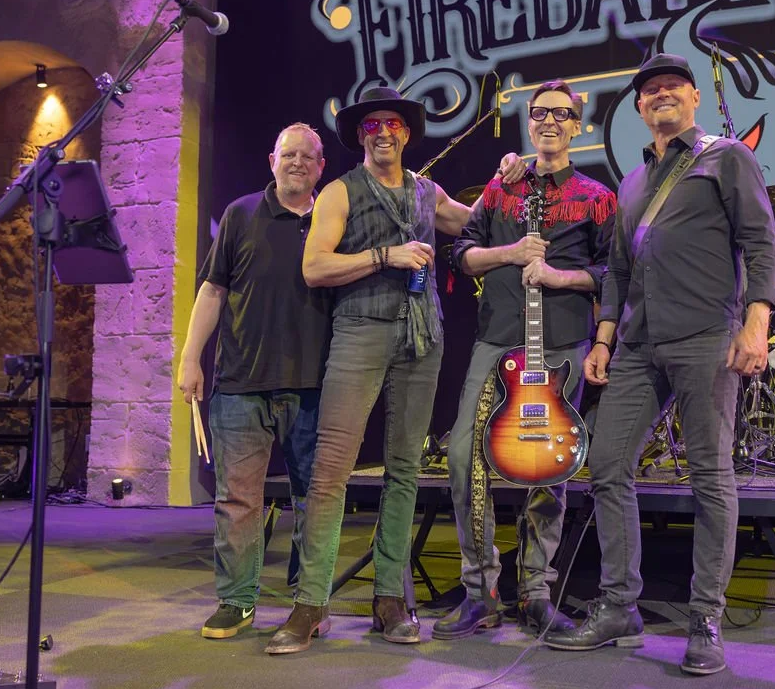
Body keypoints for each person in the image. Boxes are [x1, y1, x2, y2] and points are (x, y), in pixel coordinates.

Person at [545, 53, 775, 675]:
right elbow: (620, 271)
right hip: (638, 345)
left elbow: (762, 243)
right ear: (640, 107)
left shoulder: (726, 157)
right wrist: (603, 340)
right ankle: (621, 605)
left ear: (694, 97)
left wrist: (755, 323)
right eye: (650, 91)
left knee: (711, 477)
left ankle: (705, 616)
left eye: (672, 87)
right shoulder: (632, 182)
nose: (660, 96)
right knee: (605, 466)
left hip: (708, 336)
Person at [265, 86, 524, 654]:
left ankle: (389, 599)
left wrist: (505, 179)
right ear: (362, 135)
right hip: (360, 331)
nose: (383, 132)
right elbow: (315, 266)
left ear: (406, 133)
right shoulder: (338, 192)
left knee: (405, 469)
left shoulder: (427, 192)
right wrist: (386, 256)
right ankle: (310, 605)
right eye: (373, 125)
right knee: (332, 471)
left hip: (422, 337)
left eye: (393, 124)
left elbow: (475, 220)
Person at [435, 80, 616, 640]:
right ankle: (480, 590)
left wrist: (562, 276)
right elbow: (461, 253)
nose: (549, 122)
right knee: (465, 456)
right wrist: (509, 254)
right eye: (539, 113)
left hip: (561, 346)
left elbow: (616, 274)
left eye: (562, 115)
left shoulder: (597, 196)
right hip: (495, 341)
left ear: (577, 126)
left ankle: (536, 590)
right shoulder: (501, 188)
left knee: (549, 467)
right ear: (529, 122)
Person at [177, 123, 330, 639]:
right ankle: (237, 601)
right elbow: (213, 291)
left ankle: (309, 603)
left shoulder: (333, 220)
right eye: (288, 154)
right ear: (272, 160)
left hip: (315, 386)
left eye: (307, 157)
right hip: (242, 383)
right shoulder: (242, 215)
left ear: (320, 167)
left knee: (316, 500)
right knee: (238, 500)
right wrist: (189, 358)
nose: (297, 163)